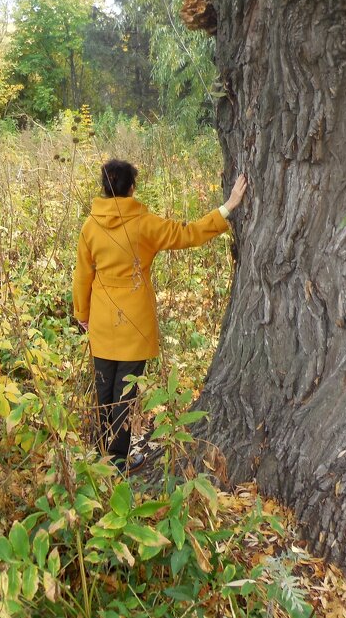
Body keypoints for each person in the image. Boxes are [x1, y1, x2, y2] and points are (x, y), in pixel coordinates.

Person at [72, 159, 248, 472]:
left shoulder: (90, 226)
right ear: (131, 187)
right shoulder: (144, 224)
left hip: (100, 320)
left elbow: (83, 276)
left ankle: (101, 459)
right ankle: (117, 462)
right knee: (124, 395)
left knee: (103, 391)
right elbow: (189, 234)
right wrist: (229, 206)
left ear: (104, 186)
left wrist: (82, 313)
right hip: (134, 324)